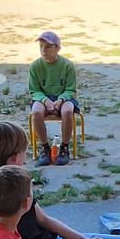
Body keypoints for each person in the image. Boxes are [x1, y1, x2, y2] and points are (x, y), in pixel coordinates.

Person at [27, 30, 79, 166]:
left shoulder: (67, 65)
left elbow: (70, 89)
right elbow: (34, 90)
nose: (44, 50)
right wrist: (46, 101)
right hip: (43, 97)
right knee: (36, 112)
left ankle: (64, 147)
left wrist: (60, 100)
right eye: (41, 47)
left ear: (57, 48)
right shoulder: (35, 66)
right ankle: (45, 147)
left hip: (64, 97)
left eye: (48, 47)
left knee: (67, 111)